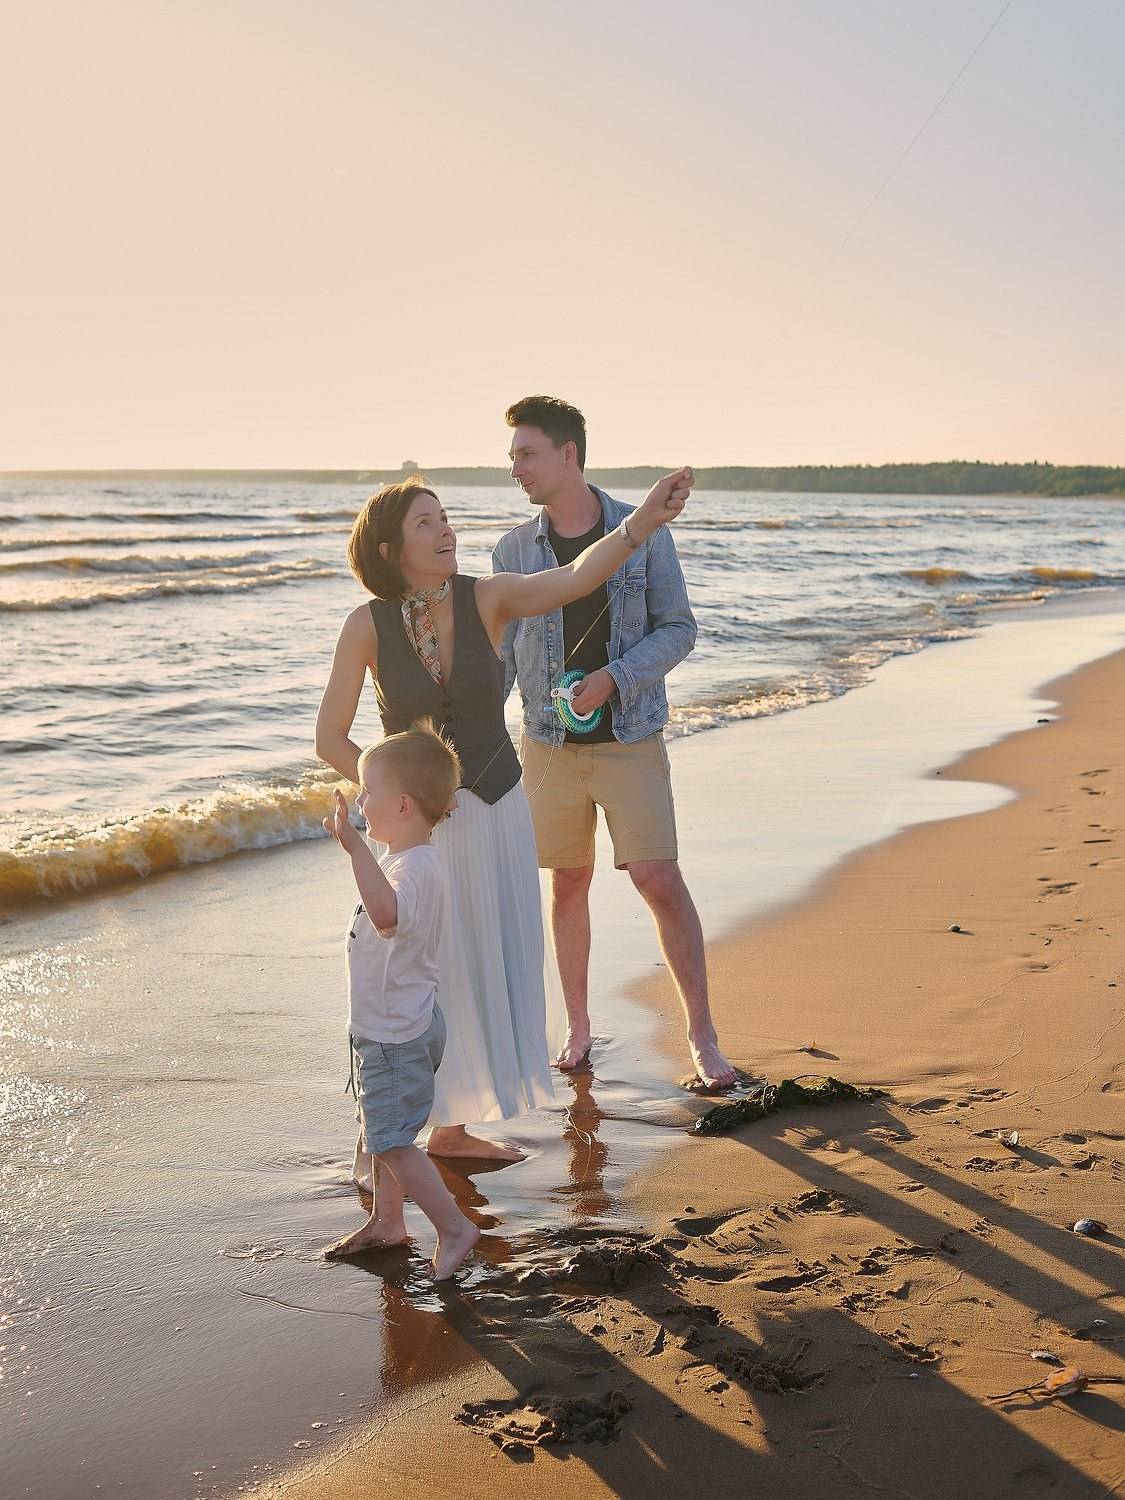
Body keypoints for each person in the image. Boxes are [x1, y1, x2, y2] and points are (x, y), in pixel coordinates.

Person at [315, 466, 695, 1234]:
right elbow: (329, 738)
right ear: (390, 546)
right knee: (424, 970)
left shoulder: (488, 595)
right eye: (425, 523)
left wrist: (642, 523)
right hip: (425, 832)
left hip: (495, 810)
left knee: (487, 958)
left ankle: (449, 1129)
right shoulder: (366, 624)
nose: (444, 530)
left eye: (445, 517)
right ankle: (384, 1135)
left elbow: (577, 574)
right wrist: (398, 797)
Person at [493, 395, 737, 1091]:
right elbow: (503, 655)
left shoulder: (645, 530)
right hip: (545, 745)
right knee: (567, 881)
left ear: (567, 454)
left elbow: (679, 627)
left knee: (657, 879)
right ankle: (576, 1025)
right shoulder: (512, 548)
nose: (515, 468)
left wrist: (614, 678)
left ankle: (702, 1034)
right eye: (512, 455)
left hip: (629, 734)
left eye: (525, 453)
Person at [321, 725, 480, 1280]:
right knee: (388, 1131)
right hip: (400, 1024)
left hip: (394, 1036)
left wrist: (354, 846)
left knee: (390, 1139)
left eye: (367, 792)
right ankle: (389, 1222)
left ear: (405, 805)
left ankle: (455, 1228)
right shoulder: (408, 860)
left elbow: (386, 917)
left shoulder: (413, 868)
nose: (361, 801)